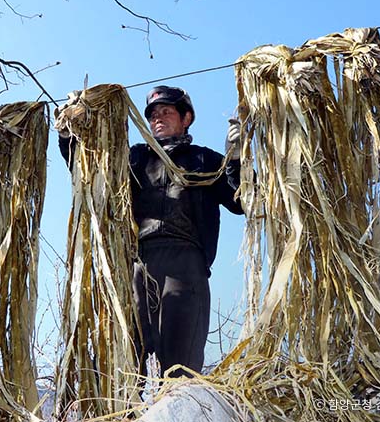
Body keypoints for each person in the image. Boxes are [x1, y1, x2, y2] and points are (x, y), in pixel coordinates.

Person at [57, 85, 244, 379]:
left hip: (185, 267)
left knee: (181, 373)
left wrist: (235, 161)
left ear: (187, 118)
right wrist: (69, 137)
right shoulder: (135, 159)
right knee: (124, 368)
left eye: (166, 111)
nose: (158, 117)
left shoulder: (204, 159)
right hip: (137, 266)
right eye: (153, 114)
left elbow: (243, 202)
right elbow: (91, 176)